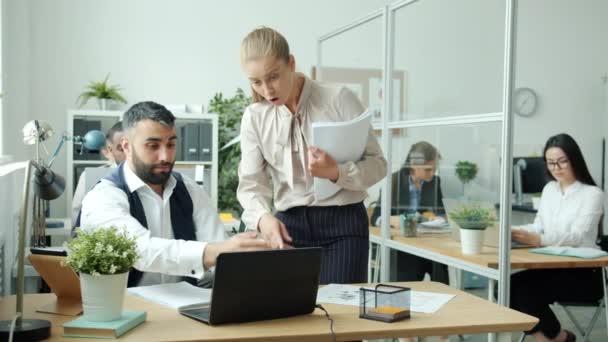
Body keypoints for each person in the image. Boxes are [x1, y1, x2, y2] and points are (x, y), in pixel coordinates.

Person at [237, 27, 387, 284]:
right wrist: (263, 219)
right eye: (256, 82)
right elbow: (251, 185)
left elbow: (378, 164)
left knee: (341, 316)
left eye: (273, 77)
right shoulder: (255, 117)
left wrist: (336, 172)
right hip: (287, 228)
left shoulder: (339, 99)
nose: (267, 90)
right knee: (289, 318)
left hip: (344, 226)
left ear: (291, 63)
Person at [80, 101, 269, 287]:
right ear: (126, 146)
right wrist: (215, 252)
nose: (165, 156)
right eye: (153, 146)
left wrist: (250, 255)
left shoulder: (189, 189)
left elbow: (218, 248)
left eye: (170, 144)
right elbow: (139, 250)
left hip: (184, 307)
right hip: (126, 308)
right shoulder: (103, 196)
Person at [510, 133, 604, 342]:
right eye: (551, 163)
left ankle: (548, 339)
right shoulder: (549, 189)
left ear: (574, 160)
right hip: (550, 267)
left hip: (583, 273)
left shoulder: (593, 193)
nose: (556, 168)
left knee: (525, 292)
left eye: (562, 161)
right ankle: (559, 337)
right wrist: (513, 230)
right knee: (505, 286)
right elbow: (539, 225)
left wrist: (539, 240)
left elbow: (578, 236)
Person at [370, 141, 449, 283]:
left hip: (429, 243)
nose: (432, 173)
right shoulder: (394, 180)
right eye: (428, 169)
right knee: (407, 277)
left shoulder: (434, 182)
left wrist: (436, 217)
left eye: (434, 169)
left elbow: (441, 213)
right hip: (403, 249)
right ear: (413, 164)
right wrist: (391, 220)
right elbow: (375, 217)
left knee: (442, 270)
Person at [71, 121, 126, 226]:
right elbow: (77, 211)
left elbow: (76, 210)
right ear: (108, 150)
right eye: (121, 148)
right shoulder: (89, 176)